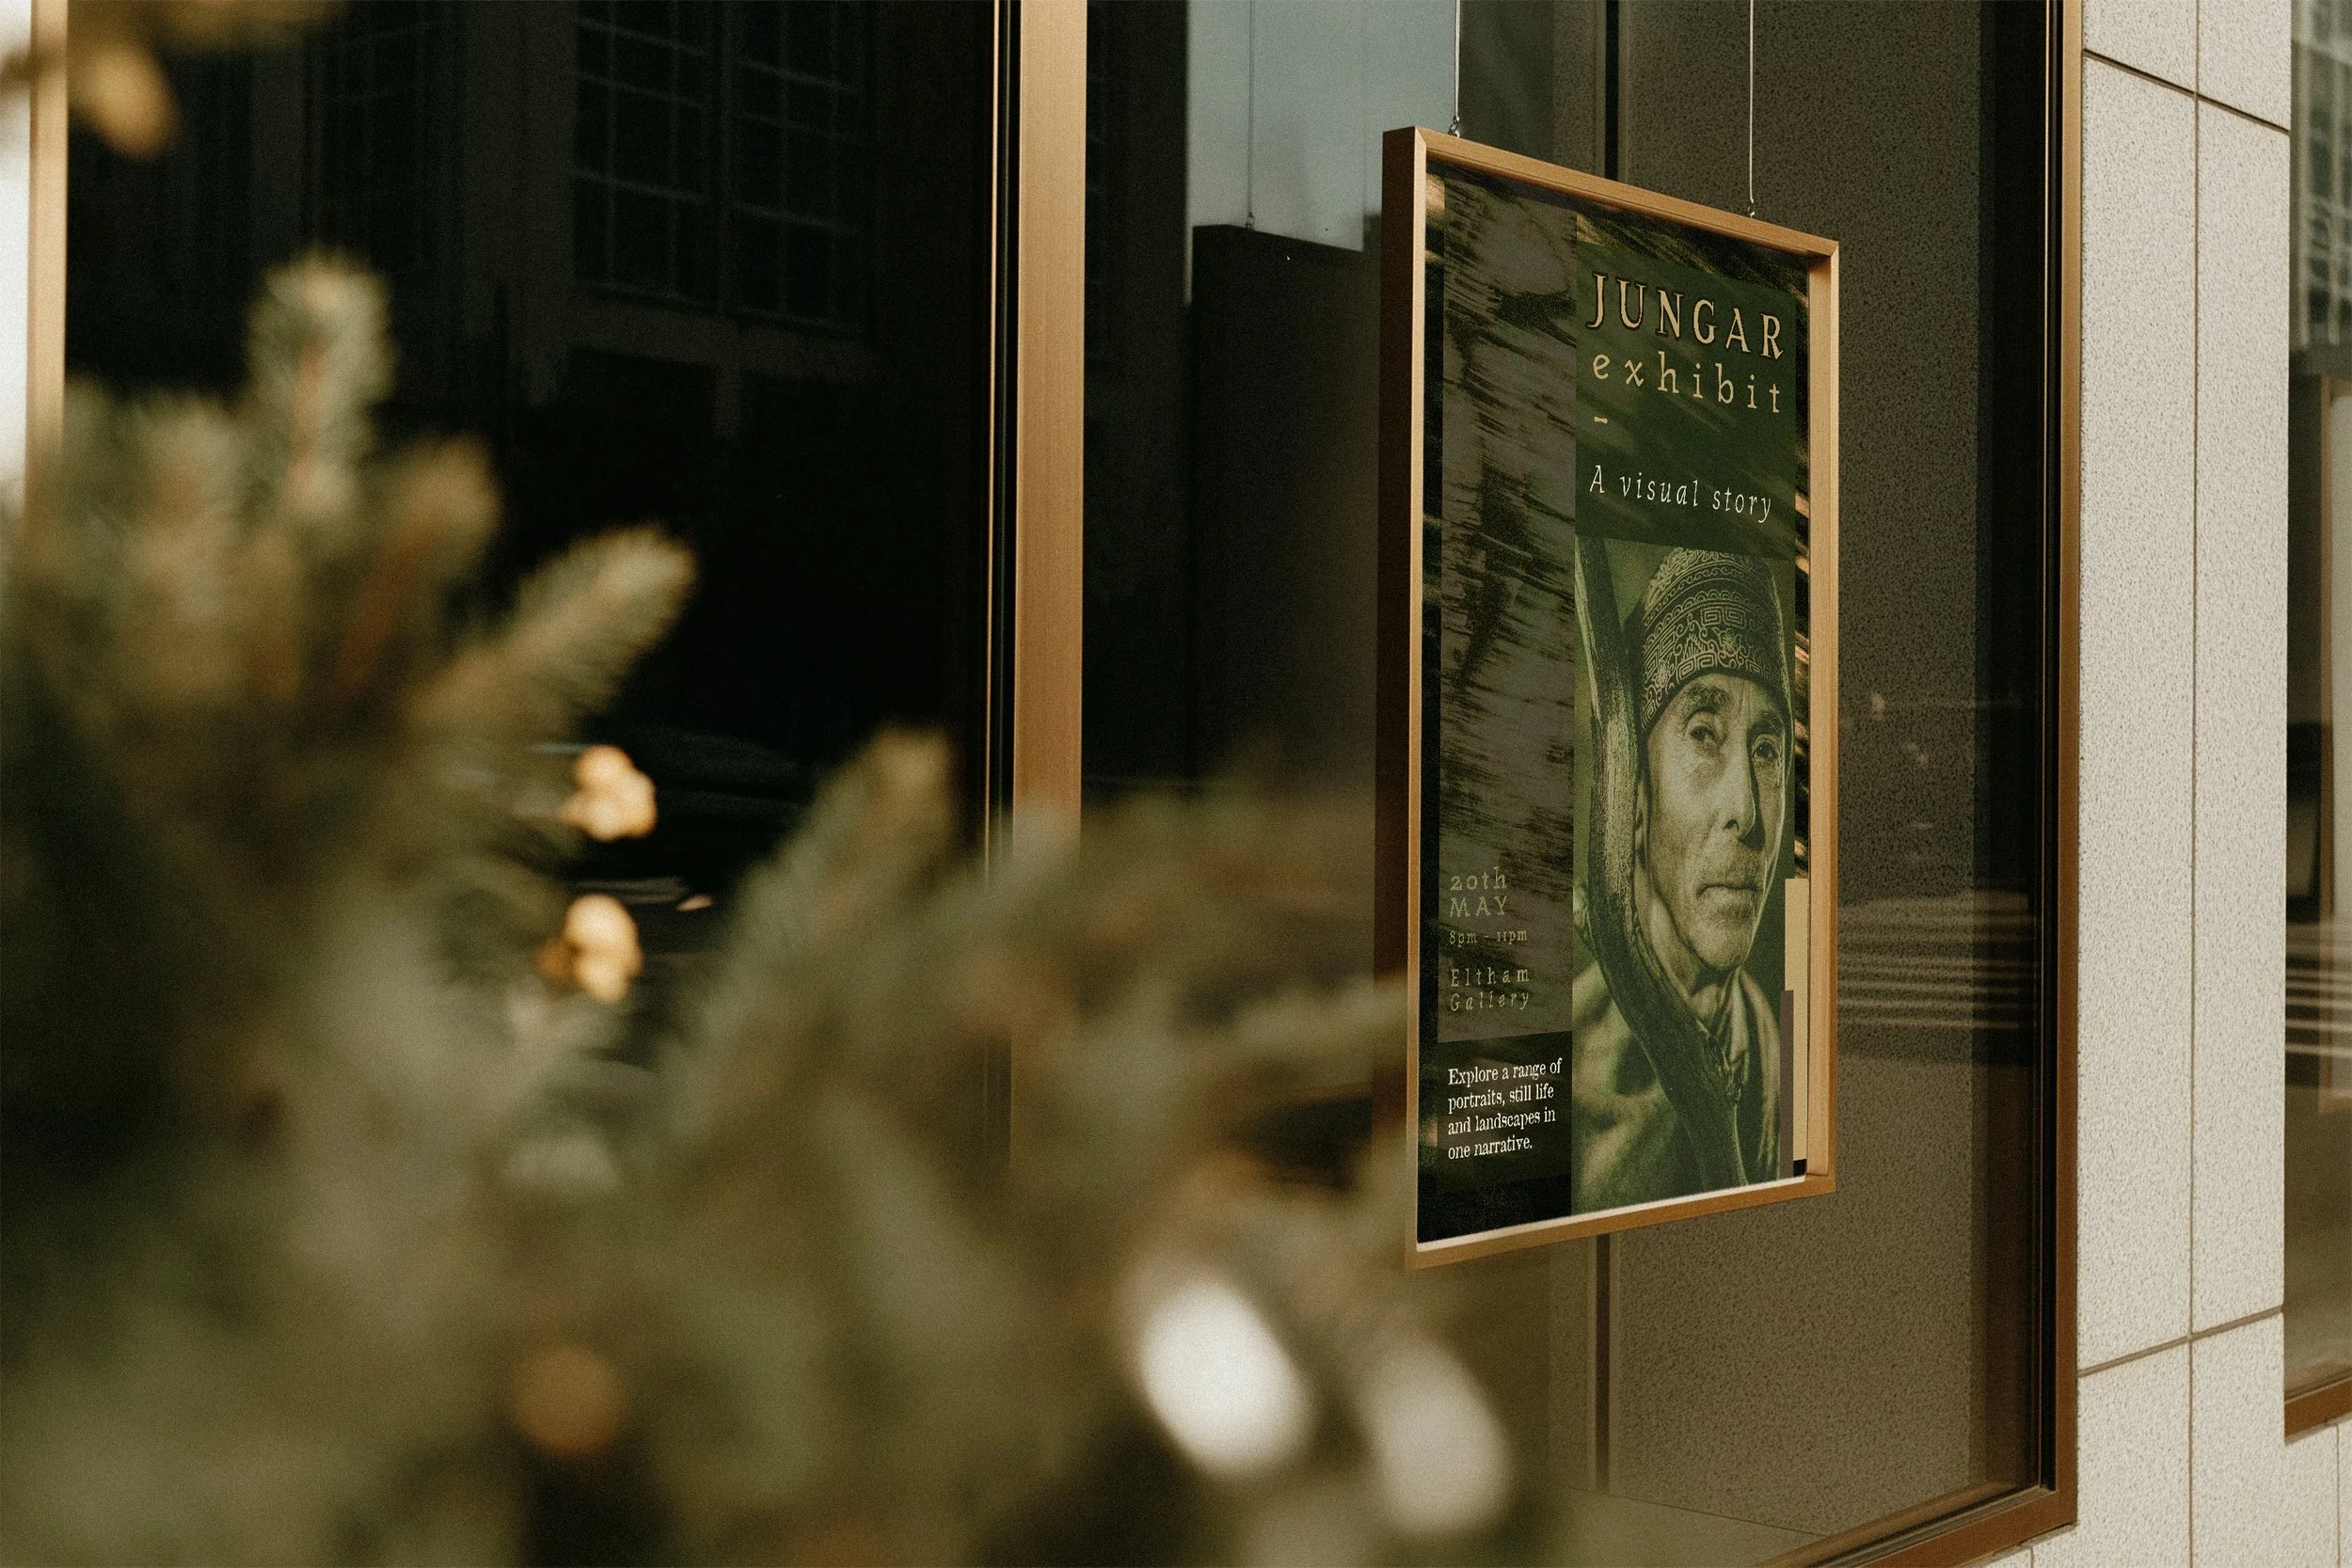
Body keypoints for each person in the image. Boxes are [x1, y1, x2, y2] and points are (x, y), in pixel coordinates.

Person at [1571, 547, 1788, 1211]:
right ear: (1635, 799)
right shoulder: (1571, 1062)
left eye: (1766, 749)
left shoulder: (1766, 1037)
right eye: (1703, 734)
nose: (1747, 811)